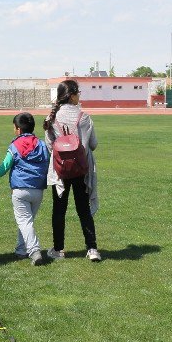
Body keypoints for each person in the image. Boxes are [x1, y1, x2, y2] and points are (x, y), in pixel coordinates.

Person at [43, 79, 101, 262]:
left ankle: (58, 249)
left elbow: (50, 145)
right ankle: (92, 248)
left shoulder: (52, 117)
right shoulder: (84, 116)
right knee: (83, 209)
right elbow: (93, 144)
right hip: (81, 169)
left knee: (59, 210)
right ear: (73, 95)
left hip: (60, 171)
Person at [0, 112, 49, 266]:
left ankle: (34, 251)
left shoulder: (15, 146)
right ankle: (21, 250)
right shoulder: (42, 145)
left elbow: (5, 166)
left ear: (18, 129)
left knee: (25, 221)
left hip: (20, 190)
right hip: (38, 190)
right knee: (26, 221)